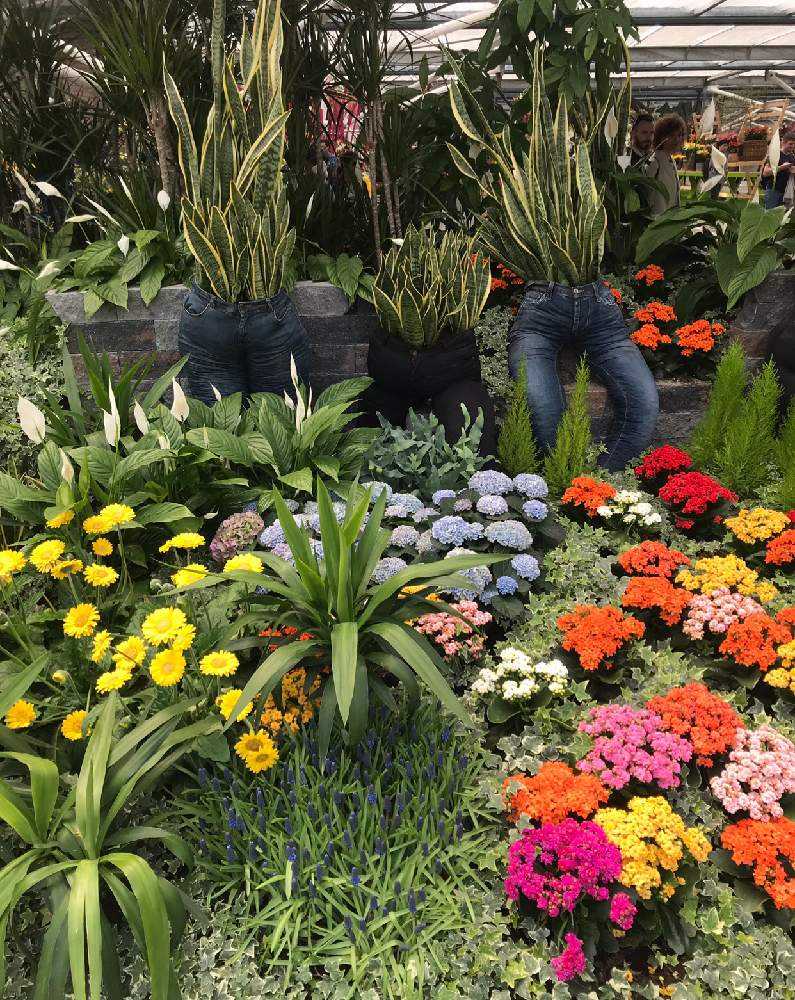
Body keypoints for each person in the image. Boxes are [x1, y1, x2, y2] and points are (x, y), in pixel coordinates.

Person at [508, 282, 659, 472]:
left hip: (599, 310)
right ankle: (561, 479)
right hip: (542, 313)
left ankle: (604, 481)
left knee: (644, 403)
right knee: (543, 412)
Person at [644, 114, 686, 216]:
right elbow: (646, 194)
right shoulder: (654, 162)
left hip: (670, 219)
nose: (677, 140)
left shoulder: (671, 160)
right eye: (672, 136)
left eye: (679, 135)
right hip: (658, 219)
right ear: (661, 137)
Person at [761, 130, 795, 209]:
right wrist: (782, 167)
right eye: (790, 144)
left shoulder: (792, 156)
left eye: (794, 144)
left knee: (782, 215)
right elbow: (765, 173)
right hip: (773, 191)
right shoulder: (775, 154)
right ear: (783, 142)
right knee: (771, 214)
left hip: (786, 192)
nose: (793, 146)